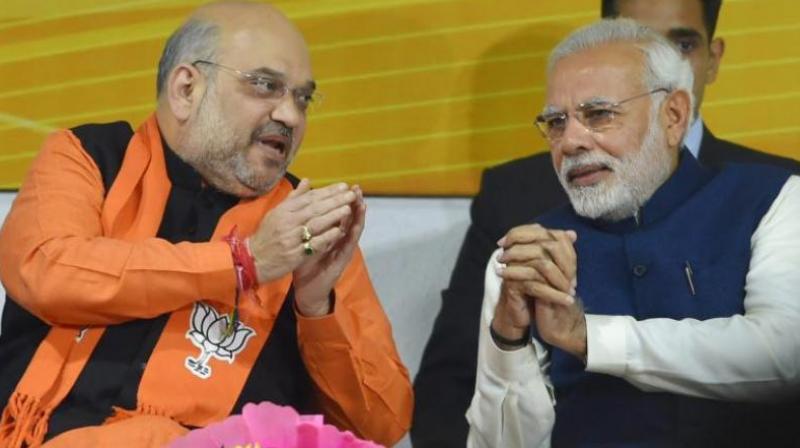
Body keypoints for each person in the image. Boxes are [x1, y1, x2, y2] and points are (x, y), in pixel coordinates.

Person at [0, 2, 412, 447]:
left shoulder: (304, 227)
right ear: (186, 89)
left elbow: (381, 425)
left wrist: (317, 308)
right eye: (265, 86)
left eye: (302, 98)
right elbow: (47, 272)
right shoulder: (88, 156)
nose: (290, 116)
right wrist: (242, 262)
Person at [411, 1, 800, 445]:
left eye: (599, 114)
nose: (571, 141)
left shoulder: (772, 199)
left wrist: (588, 337)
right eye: (556, 122)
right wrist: (508, 343)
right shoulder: (527, 252)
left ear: (672, 117)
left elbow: (782, 356)